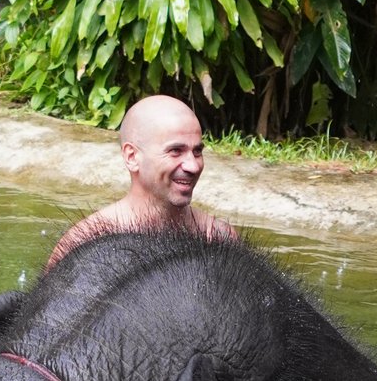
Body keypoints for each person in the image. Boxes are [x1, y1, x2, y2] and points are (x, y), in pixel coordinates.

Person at [45, 93, 237, 271]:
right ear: (132, 156)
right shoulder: (86, 241)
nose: (193, 166)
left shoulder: (218, 238)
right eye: (176, 151)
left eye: (197, 151)